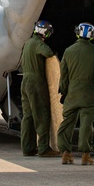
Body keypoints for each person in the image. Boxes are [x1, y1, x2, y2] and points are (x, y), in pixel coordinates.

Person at [57, 22, 94, 166]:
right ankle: (85, 156)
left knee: (67, 123)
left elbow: (63, 77)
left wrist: (64, 93)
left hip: (72, 93)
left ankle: (66, 154)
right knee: (86, 124)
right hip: (88, 94)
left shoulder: (68, 51)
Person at [19, 20, 60, 157]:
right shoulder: (38, 44)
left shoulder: (28, 43)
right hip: (36, 81)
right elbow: (48, 53)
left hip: (25, 81)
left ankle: (27, 148)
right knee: (41, 114)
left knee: (28, 116)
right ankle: (43, 148)